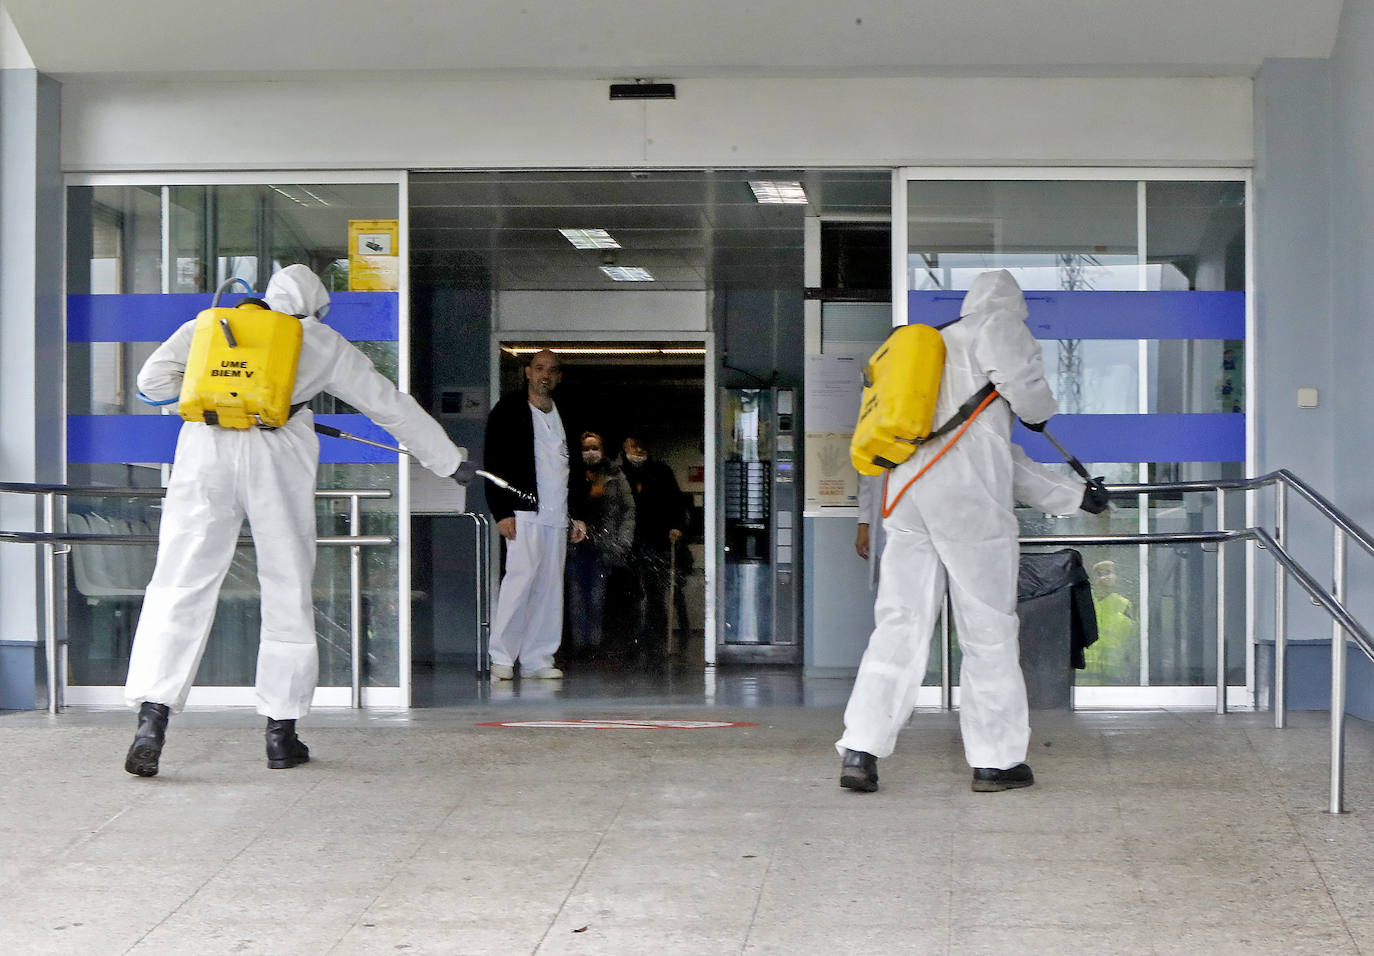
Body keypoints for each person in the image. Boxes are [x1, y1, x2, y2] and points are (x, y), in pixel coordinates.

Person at [123, 264, 465, 777]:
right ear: (315, 305)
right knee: (285, 586)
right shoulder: (320, 340)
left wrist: (213, 399)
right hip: (278, 460)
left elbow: (151, 383)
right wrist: (446, 461)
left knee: (180, 583)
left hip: (205, 455)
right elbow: (389, 406)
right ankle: (281, 734)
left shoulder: (210, 325)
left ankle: (153, 718)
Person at [836, 269, 1110, 794]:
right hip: (966, 499)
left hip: (907, 491)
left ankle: (861, 748)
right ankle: (997, 759)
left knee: (899, 624)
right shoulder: (998, 324)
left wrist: (1072, 495)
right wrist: (1042, 416)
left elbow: (1004, 457)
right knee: (987, 628)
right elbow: (1030, 405)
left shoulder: (932, 348)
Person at [483, 349, 587, 680]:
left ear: (559, 376)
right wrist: (501, 511)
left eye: (552, 370)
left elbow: (577, 467)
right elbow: (494, 463)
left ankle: (538, 659)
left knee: (549, 586)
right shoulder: (508, 410)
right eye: (539, 368)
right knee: (520, 580)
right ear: (528, 372)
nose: (545, 374)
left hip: (558, 513)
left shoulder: (565, 413)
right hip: (521, 511)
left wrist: (579, 515)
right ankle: (502, 656)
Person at [619, 432, 688, 664]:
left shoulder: (661, 472)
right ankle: (630, 641)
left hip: (656, 539)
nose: (637, 452)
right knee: (629, 593)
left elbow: (676, 502)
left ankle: (654, 640)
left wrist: (676, 526)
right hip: (627, 542)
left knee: (656, 593)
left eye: (640, 447)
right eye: (632, 446)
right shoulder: (619, 474)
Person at [565, 431, 635, 658]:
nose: (591, 453)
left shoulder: (615, 475)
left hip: (603, 547)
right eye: (586, 448)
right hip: (575, 546)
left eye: (595, 448)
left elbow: (627, 510)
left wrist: (622, 541)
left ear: (603, 450)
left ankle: (594, 645)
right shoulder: (571, 475)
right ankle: (579, 646)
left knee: (597, 598)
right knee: (576, 598)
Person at [1081, 559, 1139, 684]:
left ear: (1116, 577)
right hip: (1081, 683)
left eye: (1108, 572)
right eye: (1099, 573)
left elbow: (1135, 645)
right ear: (1091, 579)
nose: (1104, 577)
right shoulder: (1082, 603)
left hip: (1113, 682)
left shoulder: (1125, 606)